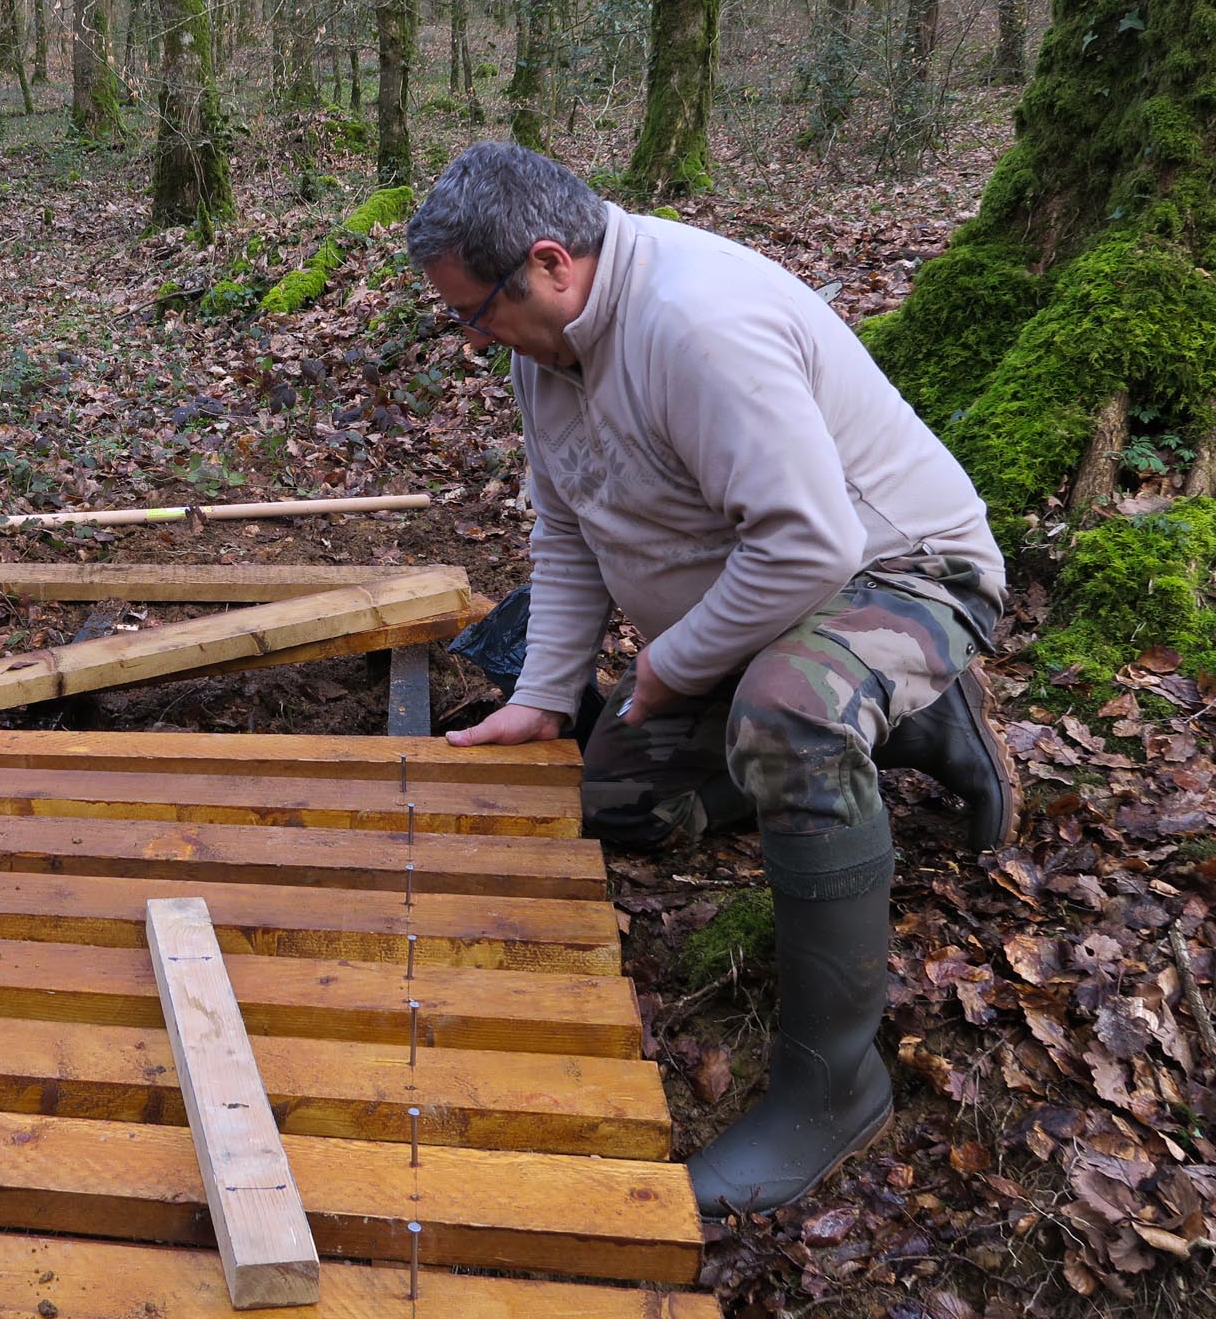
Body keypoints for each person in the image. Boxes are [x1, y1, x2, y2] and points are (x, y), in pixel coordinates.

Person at [409, 142, 1020, 1219]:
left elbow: (810, 546)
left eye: (475, 312)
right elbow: (567, 522)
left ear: (550, 262)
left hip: (900, 574)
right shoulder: (543, 346)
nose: (471, 337)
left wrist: (665, 670)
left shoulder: (694, 323)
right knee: (612, 802)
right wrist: (545, 696)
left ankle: (834, 1083)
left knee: (790, 715)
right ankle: (906, 732)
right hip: (752, 610)